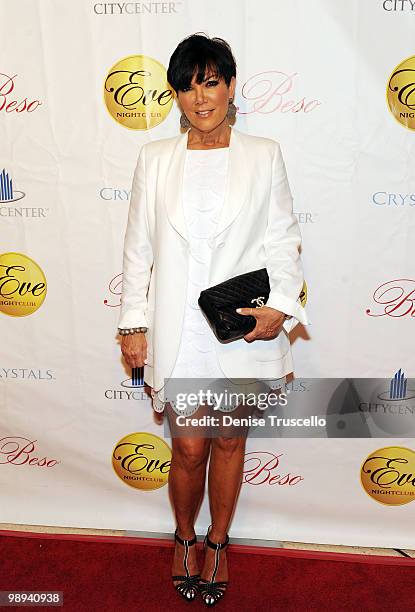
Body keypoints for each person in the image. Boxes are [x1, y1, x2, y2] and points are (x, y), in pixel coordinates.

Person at [118, 33, 309, 606]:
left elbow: (283, 238)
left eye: (210, 82)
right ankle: (183, 538)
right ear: (175, 96)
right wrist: (132, 324)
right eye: (186, 86)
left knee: (229, 442)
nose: (200, 98)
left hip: (241, 327)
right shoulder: (154, 159)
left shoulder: (264, 153)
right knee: (189, 449)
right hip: (178, 330)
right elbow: (136, 250)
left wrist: (281, 307)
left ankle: (219, 543)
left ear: (230, 87)